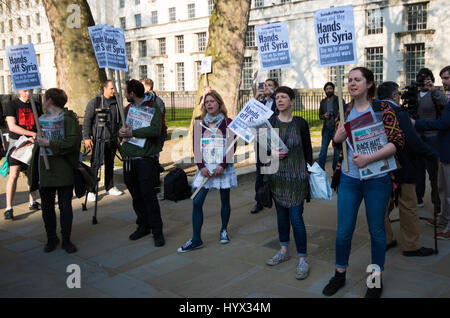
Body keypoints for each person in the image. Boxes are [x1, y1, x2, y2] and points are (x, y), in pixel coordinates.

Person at [322, 67, 404, 298]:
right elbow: (339, 145)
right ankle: (339, 274)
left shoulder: (382, 108)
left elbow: (397, 140)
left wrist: (369, 158)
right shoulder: (344, 110)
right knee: (343, 231)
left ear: (369, 84)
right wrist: (337, 139)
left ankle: (375, 279)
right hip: (349, 179)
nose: (352, 83)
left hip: (377, 180)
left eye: (357, 79)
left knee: (377, 230)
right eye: (349, 80)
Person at [378, 81, 437, 256]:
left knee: (382, 205)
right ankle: (412, 245)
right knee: (408, 205)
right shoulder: (398, 112)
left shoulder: (373, 110)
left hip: (380, 165)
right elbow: (413, 140)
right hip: (402, 165)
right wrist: (432, 154)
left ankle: (386, 239)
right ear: (395, 95)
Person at [177, 90, 237, 253]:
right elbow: (196, 148)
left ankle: (223, 230)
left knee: (225, 200)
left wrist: (222, 166)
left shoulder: (228, 122)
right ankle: (196, 239)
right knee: (197, 201)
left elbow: (232, 147)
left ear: (219, 103)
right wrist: (201, 167)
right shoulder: (199, 122)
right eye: (207, 102)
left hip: (221, 168)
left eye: (212, 101)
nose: (209, 104)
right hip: (204, 170)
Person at [263, 86, 313, 280]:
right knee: (281, 216)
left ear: (292, 101)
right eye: (277, 97)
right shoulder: (269, 123)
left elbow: (308, 150)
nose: (279, 100)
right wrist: (271, 153)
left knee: (296, 218)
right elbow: (261, 152)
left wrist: (310, 172)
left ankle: (302, 259)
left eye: (284, 97)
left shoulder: (300, 123)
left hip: (297, 178)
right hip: (277, 178)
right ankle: (284, 250)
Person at [30, 88, 82, 253]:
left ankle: (66, 239)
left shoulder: (68, 119)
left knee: (65, 206)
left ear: (50, 100)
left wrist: (50, 144)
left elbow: (73, 143)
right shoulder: (41, 119)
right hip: (45, 170)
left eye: (45, 98)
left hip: (63, 169)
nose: (43, 101)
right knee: (46, 207)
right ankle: (51, 238)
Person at [119, 79, 165, 247]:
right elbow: (121, 129)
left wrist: (133, 132)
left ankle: (157, 231)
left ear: (132, 93)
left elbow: (155, 130)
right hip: (129, 159)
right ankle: (143, 225)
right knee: (136, 196)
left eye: (126, 91)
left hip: (145, 159)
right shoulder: (127, 109)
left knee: (148, 196)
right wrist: (121, 131)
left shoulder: (153, 108)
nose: (124, 94)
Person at [412, 66, 450, 240]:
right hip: (421, 138)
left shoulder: (438, 94)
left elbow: (443, 119)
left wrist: (434, 91)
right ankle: (442, 217)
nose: (443, 81)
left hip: (435, 139)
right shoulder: (414, 94)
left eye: (446, 78)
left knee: (438, 177)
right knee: (434, 180)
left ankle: (442, 214)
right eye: (443, 78)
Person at [4, 90, 42, 220]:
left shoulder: (36, 105)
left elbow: (40, 123)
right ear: (19, 90)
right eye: (25, 91)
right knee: (13, 174)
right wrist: (31, 134)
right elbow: (12, 127)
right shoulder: (11, 105)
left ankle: (33, 201)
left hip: (33, 144)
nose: (27, 93)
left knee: (32, 173)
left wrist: (36, 136)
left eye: (29, 91)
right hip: (18, 144)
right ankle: (9, 207)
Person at [82, 80, 123, 202]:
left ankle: (109, 186)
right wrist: (86, 137)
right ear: (104, 88)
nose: (113, 91)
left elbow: (120, 121)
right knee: (95, 165)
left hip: (112, 139)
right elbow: (87, 120)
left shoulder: (117, 103)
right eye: (111, 88)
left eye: (114, 88)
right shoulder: (95, 102)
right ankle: (91, 190)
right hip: (98, 139)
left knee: (110, 164)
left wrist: (120, 137)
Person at [414, 68, 447, 208]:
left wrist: (433, 89)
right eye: (422, 78)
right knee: (418, 170)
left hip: (432, 137)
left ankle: (437, 202)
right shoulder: (414, 94)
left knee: (434, 172)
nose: (424, 80)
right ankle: (418, 198)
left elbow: (445, 105)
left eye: (427, 78)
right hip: (417, 136)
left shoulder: (435, 93)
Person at [251, 78, 280, 214]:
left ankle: (277, 198)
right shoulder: (261, 102)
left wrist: (273, 94)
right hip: (261, 139)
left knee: (274, 170)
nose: (267, 88)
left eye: (270, 86)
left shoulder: (277, 101)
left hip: (273, 139)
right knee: (260, 171)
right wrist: (256, 96)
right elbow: (250, 112)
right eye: (265, 85)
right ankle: (259, 200)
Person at [140, 78, 167, 193]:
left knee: (154, 160)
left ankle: (155, 185)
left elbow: (158, 121)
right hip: (144, 135)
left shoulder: (158, 102)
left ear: (148, 87)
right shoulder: (141, 101)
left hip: (155, 136)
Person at [318, 82, 343, 171]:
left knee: (336, 152)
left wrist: (338, 115)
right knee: (322, 151)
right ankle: (320, 170)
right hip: (326, 129)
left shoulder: (339, 100)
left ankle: (335, 170)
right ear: (325, 90)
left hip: (336, 129)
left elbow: (344, 113)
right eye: (327, 89)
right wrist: (324, 116)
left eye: (330, 88)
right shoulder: (323, 102)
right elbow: (320, 115)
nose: (328, 90)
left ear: (333, 89)